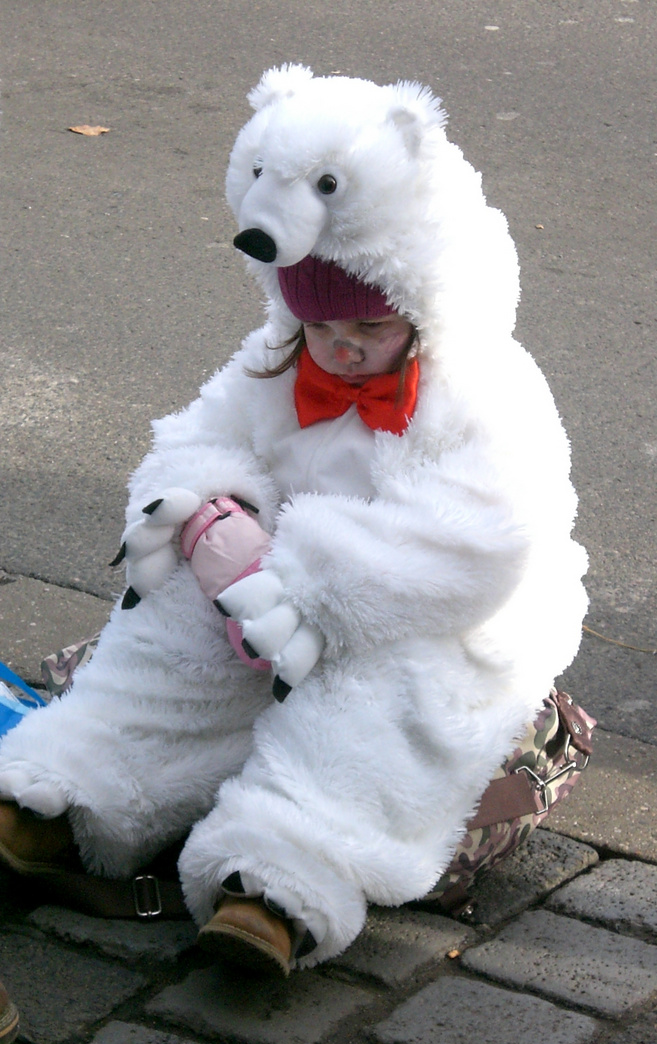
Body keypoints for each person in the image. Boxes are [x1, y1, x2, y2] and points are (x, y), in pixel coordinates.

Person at [0, 67, 588, 976]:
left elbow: (486, 536)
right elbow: (195, 436)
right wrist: (206, 518)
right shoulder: (277, 357)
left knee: (383, 704)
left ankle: (283, 875)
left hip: (408, 616)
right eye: (322, 330)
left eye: (367, 327)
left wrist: (301, 582)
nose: (343, 348)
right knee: (165, 630)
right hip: (258, 600)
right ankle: (71, 791)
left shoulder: (483, 392)